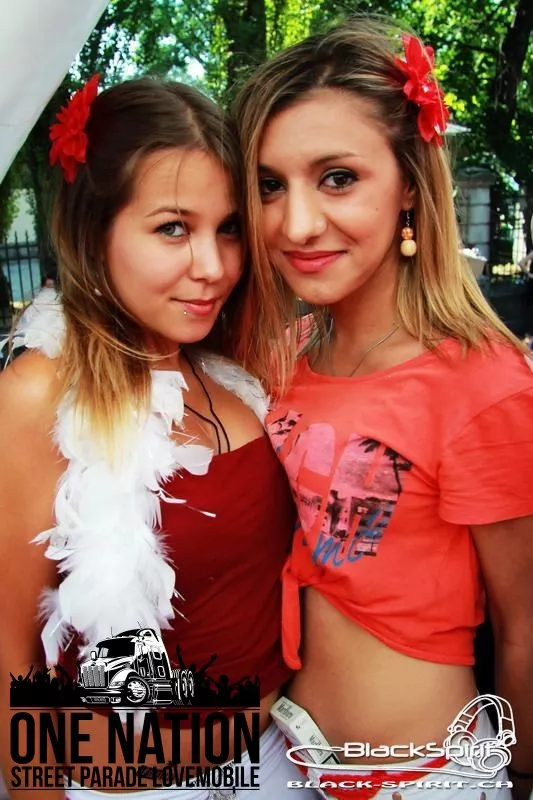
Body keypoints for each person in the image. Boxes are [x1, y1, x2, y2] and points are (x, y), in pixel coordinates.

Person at [233, 17, 533, 800]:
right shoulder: (278, 360)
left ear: (407, 184)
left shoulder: (481, 381)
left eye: (337, 178)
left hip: (424, 779)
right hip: (281, 764)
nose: (296, 223)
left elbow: (525, 625)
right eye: (269, 185)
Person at [0, 77, 319, 800]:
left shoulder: (235, 374)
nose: (213, 266)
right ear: (95, 231)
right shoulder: (39, 394)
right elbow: (10, 650)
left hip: (277, 763)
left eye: (228, 228)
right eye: (173, 228)